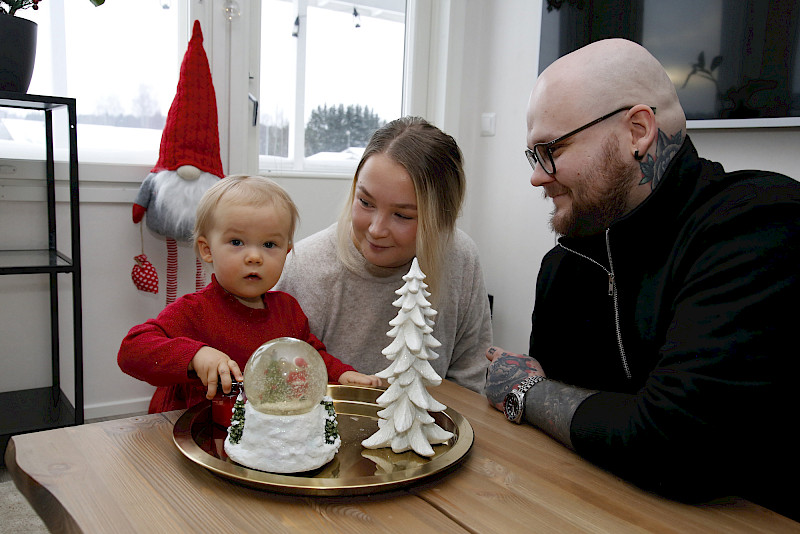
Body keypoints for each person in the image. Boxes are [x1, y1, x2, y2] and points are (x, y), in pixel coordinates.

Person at [485, 38, 800, 519]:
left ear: (638, 130)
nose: (537, 177)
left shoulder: (762, 223)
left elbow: (675, 442)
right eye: (534, 156)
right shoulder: (563, 266)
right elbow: (557, 439)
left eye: (552, 149)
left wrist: (527, 393)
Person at [119, 175, 380, 413]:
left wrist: (342, 374)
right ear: (207, 250)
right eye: (237, 242)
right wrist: (195, 356)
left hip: (262, 431)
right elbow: (132, 350)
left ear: (286, 252)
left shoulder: (287, 310)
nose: (254, 257)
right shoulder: (194, 311)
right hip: (192, 431)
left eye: (269, 245)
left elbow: (309, 356)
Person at [275, 117, 492, 393]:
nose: (376, 230)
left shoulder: (461, 258)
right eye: (365, 202)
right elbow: (277, 382)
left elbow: (470, 379)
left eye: (402, 215)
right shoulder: (306, 266)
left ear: (441, 220)